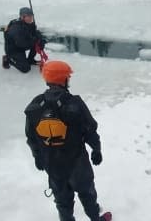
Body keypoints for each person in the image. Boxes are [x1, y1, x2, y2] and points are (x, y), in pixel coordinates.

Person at [24, 60, 111, 221]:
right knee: (87, 193)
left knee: (62, 201)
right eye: (67, 77)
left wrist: (37, 157)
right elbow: (90, 128)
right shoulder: (74, 103)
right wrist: (96, 149)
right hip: (77, 162)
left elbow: (31, 136)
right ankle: (95, 218)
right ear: (63, 79)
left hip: (52, 164)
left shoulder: (35, 105)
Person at [2, 7, 46, 72]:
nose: (31, 18)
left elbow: (36, 33)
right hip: (13, 49)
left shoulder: (28, 23)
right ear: (22, 17)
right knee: (25, 69)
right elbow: (22, 43)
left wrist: (40, 40)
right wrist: (35, 40)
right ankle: (7, 59)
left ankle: (30, 60)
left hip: (21, 45)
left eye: (32, 16)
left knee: (37, 42)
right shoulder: (16, 28)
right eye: (29, 16)